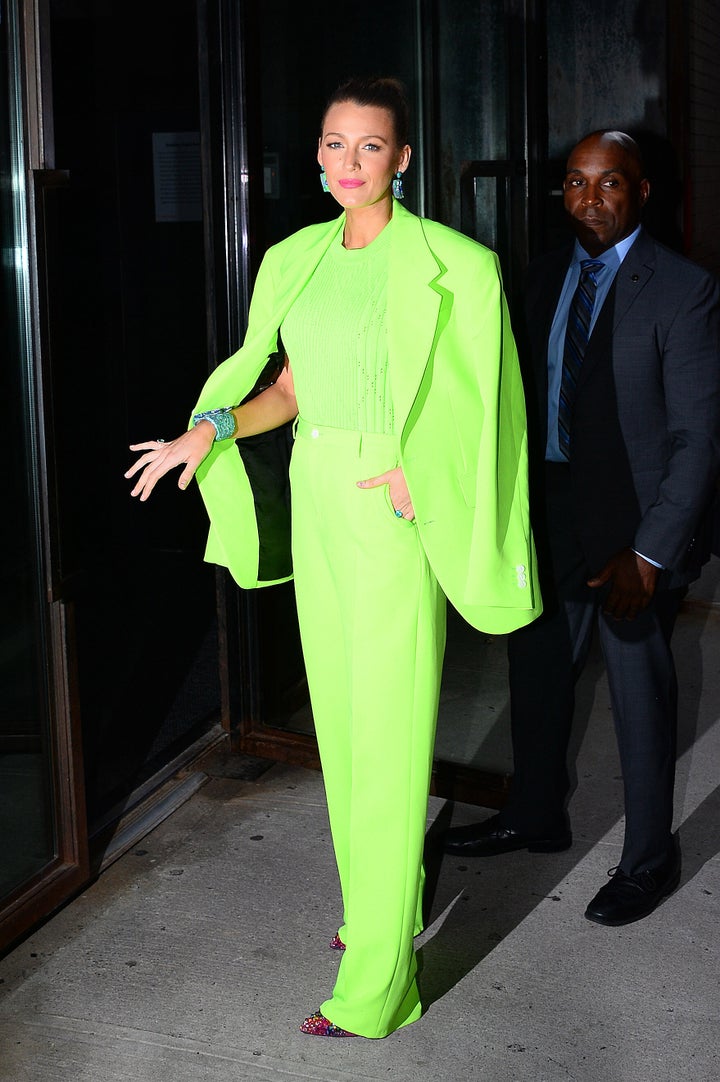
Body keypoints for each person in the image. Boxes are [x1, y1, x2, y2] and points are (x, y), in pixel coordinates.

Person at [126, 75, 541, 1038]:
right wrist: (213, 430)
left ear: (403, 159)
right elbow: (292, 386)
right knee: (345, 737)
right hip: (318, 508)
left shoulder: (457, 264)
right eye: (333, 145)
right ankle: (369, 920)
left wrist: (420, 473)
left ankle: (379, 987)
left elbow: (492, 401)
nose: (348, 163)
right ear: (317, 157)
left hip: (391, 515)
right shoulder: (296, 259)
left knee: (392, 744)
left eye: (369, 147)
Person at [443, 130, 720, 928]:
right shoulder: (540, 275)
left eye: (608, 185)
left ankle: (648, 859)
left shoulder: (683, 290)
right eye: (574, 183)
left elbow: (697, 439)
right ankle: (535, 814)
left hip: (633, 529)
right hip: (548, 510)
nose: (588, 200)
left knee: (638, 692)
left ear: (641, 192)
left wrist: (650, 552)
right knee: (535, 669)